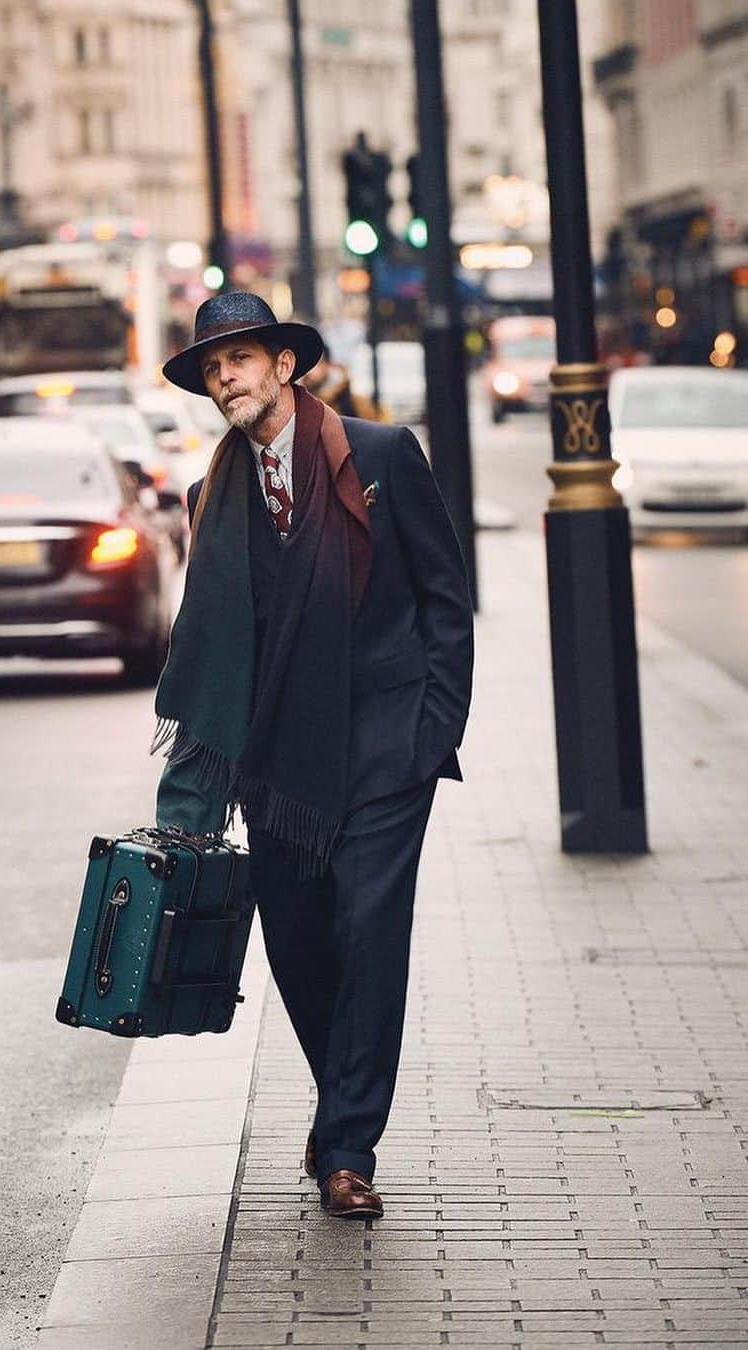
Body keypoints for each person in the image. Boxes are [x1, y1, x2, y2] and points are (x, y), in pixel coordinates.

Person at [153, 292, 473, 1220]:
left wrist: (434, 727)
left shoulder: (378, 456)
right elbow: (212, 645)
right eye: (213, 369)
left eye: (240, 360)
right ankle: (340, 1101)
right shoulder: (214, 495)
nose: (226, 379)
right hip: (278, 759)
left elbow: (443, 595)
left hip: (384, 740)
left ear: (285, 366)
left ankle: (347, 1148)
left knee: (369, 936)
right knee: (297, 943)